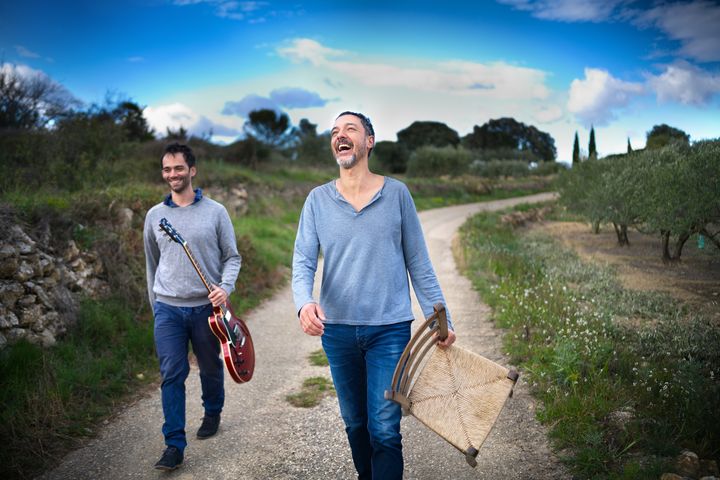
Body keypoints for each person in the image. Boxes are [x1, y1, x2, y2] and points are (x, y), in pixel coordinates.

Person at [292, 111, 456, 479]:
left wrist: (444, 321)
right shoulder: (317, 200)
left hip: (389, 330)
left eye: (350, 128)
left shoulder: (397, 194)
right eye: (335, 131)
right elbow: (302, 261)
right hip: (337, 332)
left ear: (369, 141)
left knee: (384, 430)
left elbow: (420, 263)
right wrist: (304, 302)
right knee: (355, 425)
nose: (340, 135)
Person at [143, 143, 241, 471]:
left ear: (192, 170)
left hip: (206, 311)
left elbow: (232, 257)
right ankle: (174, 444)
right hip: (168, 310)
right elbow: (152, 265)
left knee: (211, 367)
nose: (173, 174)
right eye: (167, 169)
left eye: (178, 168)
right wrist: (155, 305)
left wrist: (225, 289)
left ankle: (212, 410)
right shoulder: (155, 216)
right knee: (172, 373)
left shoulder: (216, 212)